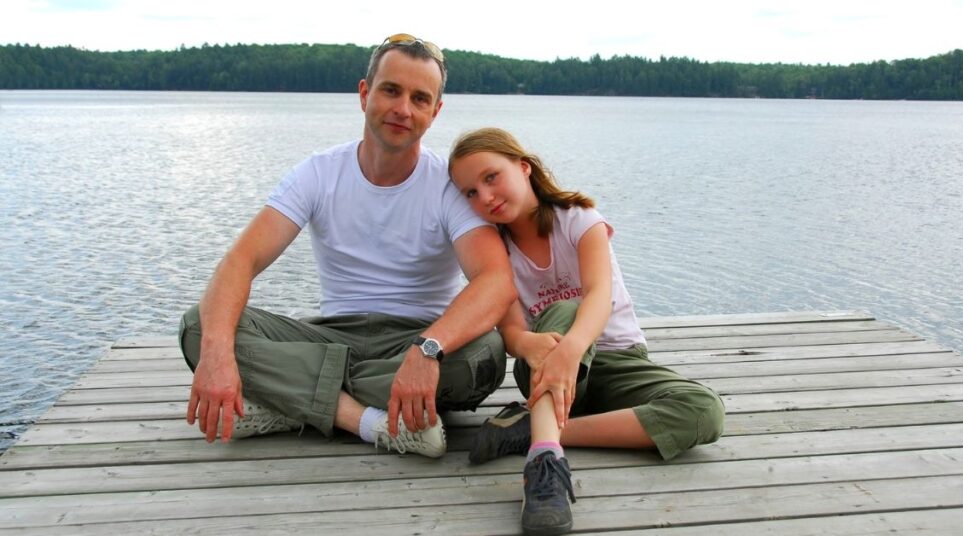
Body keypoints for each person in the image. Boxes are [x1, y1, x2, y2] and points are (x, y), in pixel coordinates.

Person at [177, 34, 516, 459]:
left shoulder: (447, 186)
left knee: (485, 355)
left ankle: (290, 399)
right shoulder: (318, 174)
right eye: (391, 90)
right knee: (198, 327)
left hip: (417, 337)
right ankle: (368, 421)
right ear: (364, 93)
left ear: (435, 112)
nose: (402, 109)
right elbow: (241, 261)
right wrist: (215, 356)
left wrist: (428, 349)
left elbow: (496, 282)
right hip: (333, 335)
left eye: (419, 98)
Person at [448, 128, 726, 535]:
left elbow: (599, 296)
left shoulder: (579, 220)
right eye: (470, 193)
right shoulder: (495, 249)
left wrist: (572, 349)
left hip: (614, 359)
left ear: (524, 167)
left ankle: (533, 430)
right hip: (543, 369)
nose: (485, 197)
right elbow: (511, 332)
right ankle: (545, 465)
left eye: (491, 177)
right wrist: (536, 344)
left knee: (705, 411)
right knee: (562, 313)